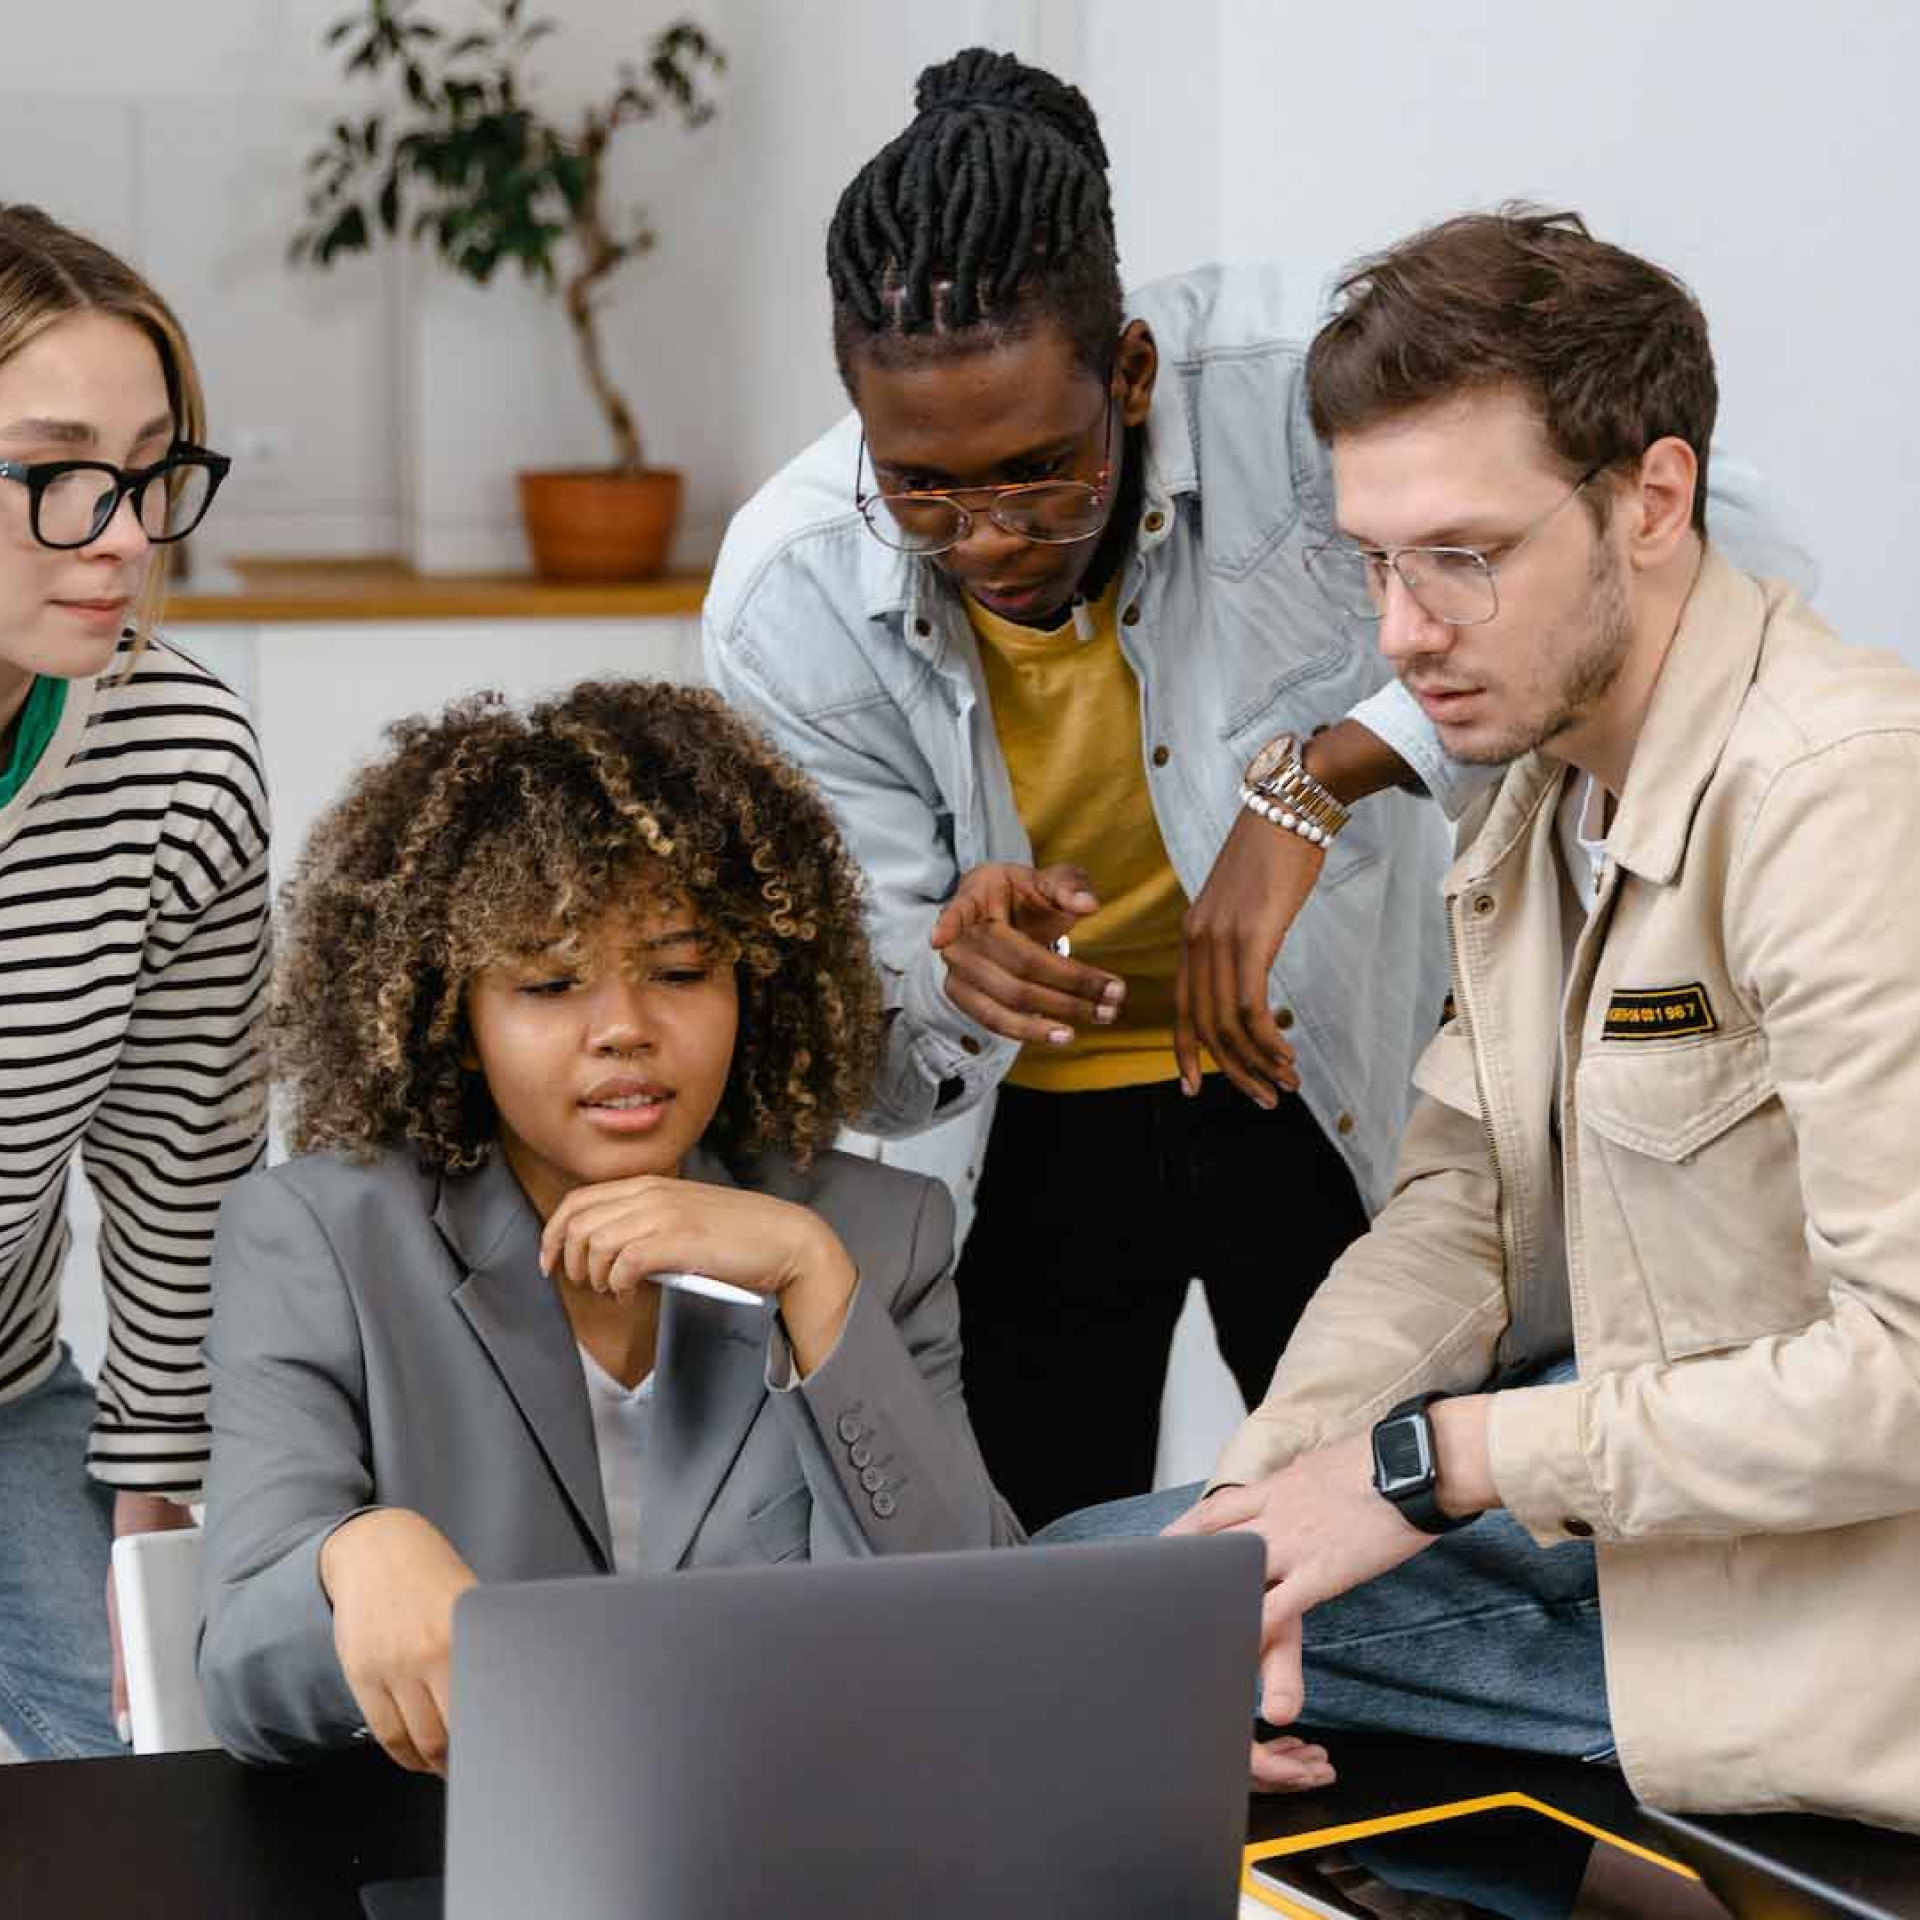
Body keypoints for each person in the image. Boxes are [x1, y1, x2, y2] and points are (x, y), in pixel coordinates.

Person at [703, 49, 1799, 1531]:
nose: (990, 537)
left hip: (1327, 1065)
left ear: (1133, 373)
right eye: (922, 490)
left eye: (1042, 471)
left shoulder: (1311, 388)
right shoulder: (789, 601)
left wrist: (1325, 776)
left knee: (1395, 1541)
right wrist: (947, 970)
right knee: (1035, 1569)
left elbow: (1714, 568)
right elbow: (876, 1059)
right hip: (1032, 1131)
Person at [1050, 207, 1920, 1834]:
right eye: (1376, 561)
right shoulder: (1541, 776)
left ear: (1654, 499)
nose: (1400, 632)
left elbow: (1909, 1377)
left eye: (1465, 556)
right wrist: (1271, 1499)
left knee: (1068, 1627)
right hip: (1657, 1530)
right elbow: (1463, 1213)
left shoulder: (1839, 792)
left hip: (1841, 1613)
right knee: (1150, 1599)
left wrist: (1437, 1464)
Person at [196, 680, 1020, 1774]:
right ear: (455, 1014)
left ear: (755, 984)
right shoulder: (321, 1237)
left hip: (795, 1840)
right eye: (549, 983)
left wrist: (813, 1283)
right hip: (466, 1856)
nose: (625, 1030)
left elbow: (981, 1640)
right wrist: (353, 1557)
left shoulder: (878, 1234)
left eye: (681, 972)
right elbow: (243, 1684)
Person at [0, 204, 266, 1759]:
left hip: (12, 1393)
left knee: (158, 1773)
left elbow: (182, 1165)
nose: (122, 536)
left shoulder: (179, 752)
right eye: (53, 476)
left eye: (150, 470)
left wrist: (154, 1517)